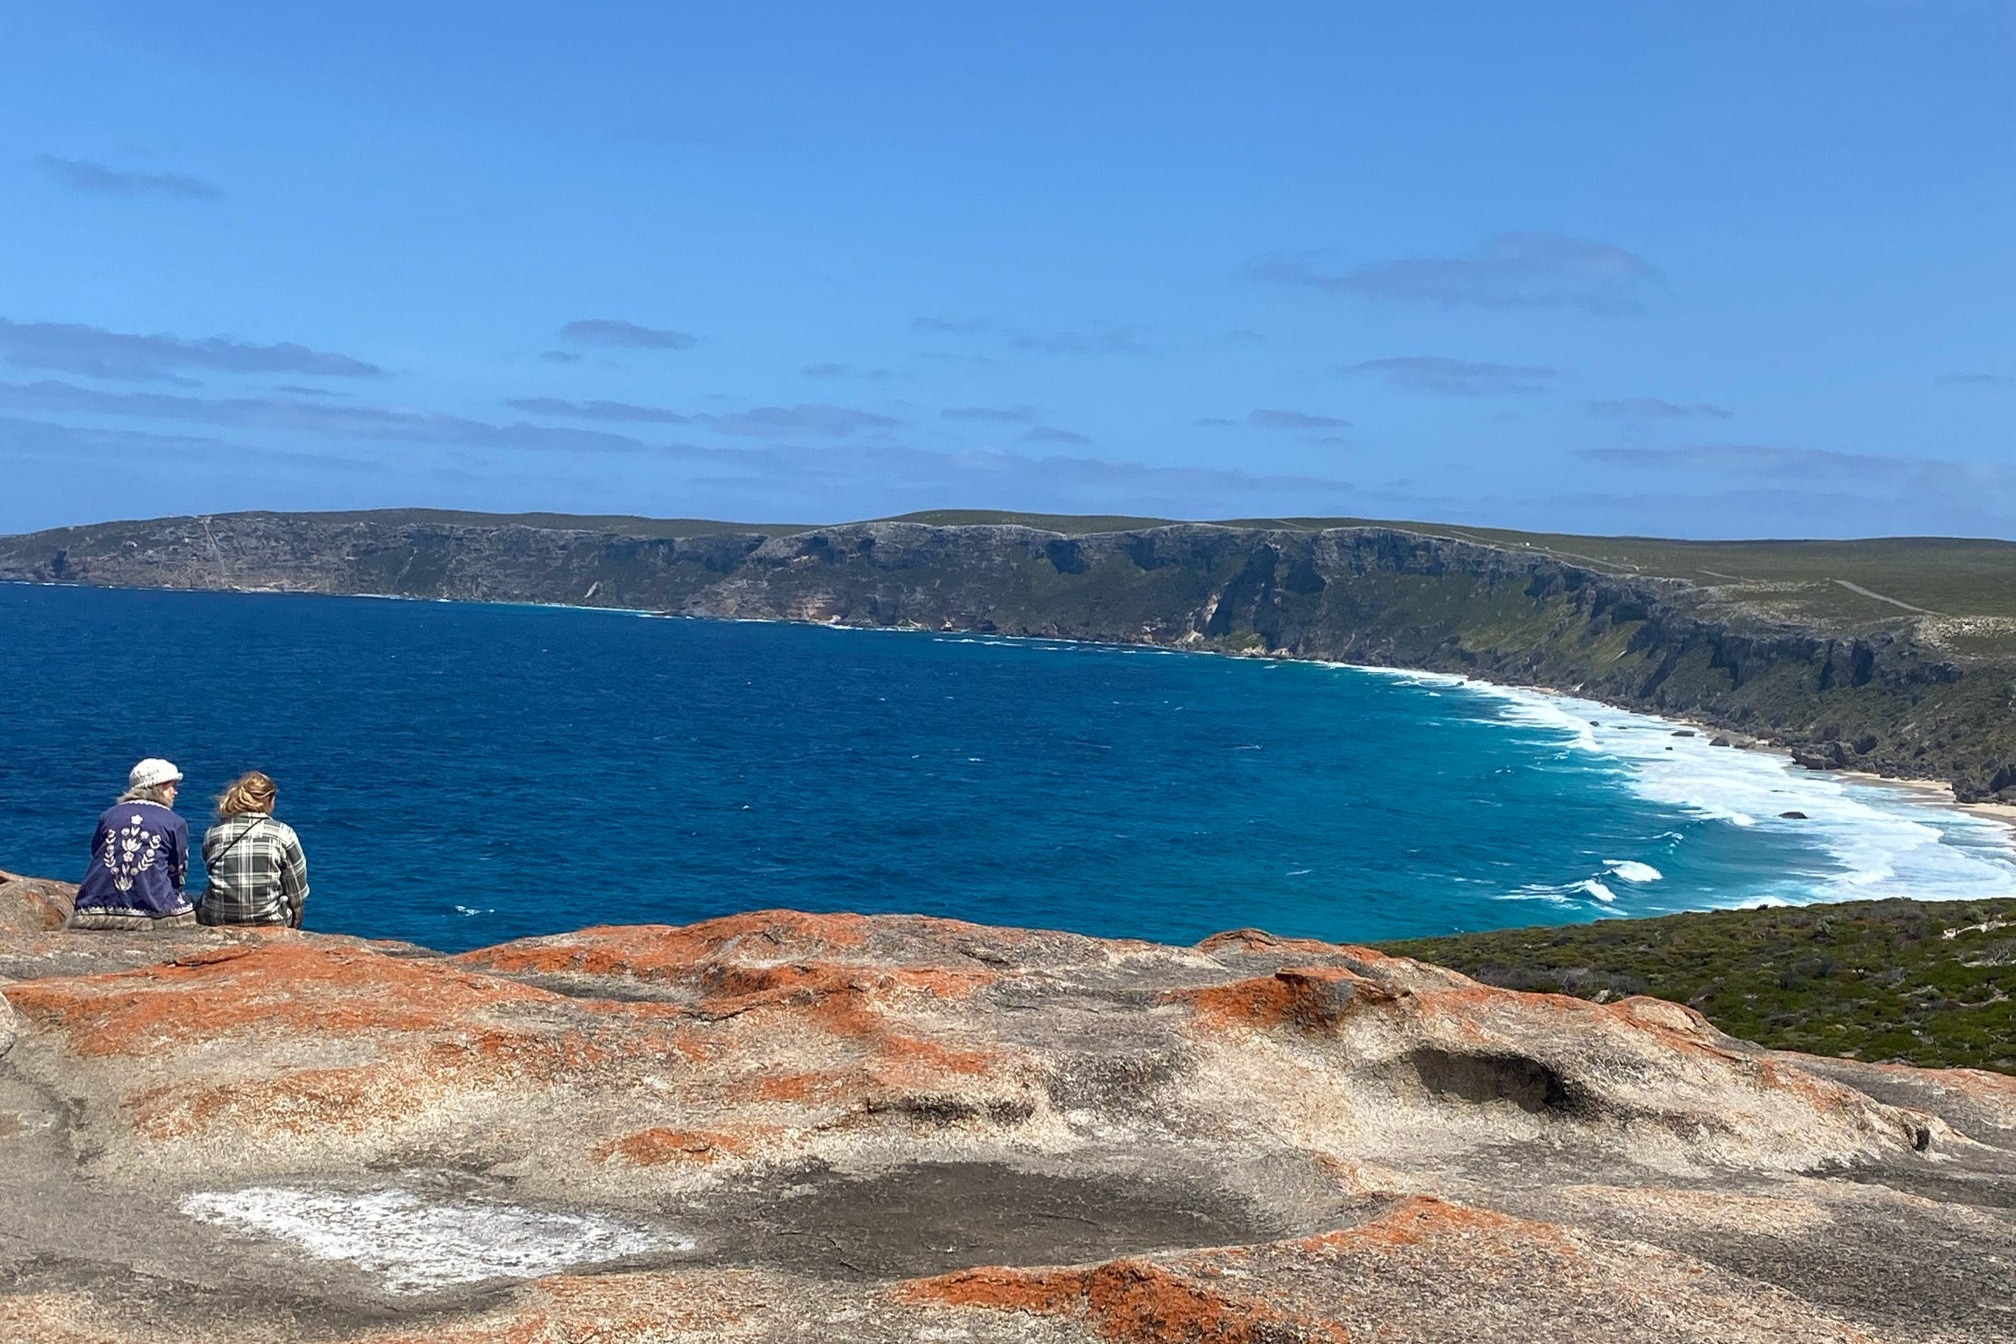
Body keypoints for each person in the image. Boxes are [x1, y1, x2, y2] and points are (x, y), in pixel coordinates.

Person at [70, 759, 194, 931]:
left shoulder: (108, 815)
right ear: (159, 787)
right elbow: (178, 871)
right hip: (152, 911)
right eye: (171, 785)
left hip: (94, 909)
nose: (175, 792)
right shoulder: (174, 822)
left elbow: (96, 851)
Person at [197, 771, 309, 928]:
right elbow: (297, 894)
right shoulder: (283, 833)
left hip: (218, 918)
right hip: (270, 921)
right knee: (297, 907)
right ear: (268, 800)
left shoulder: (213, 833)